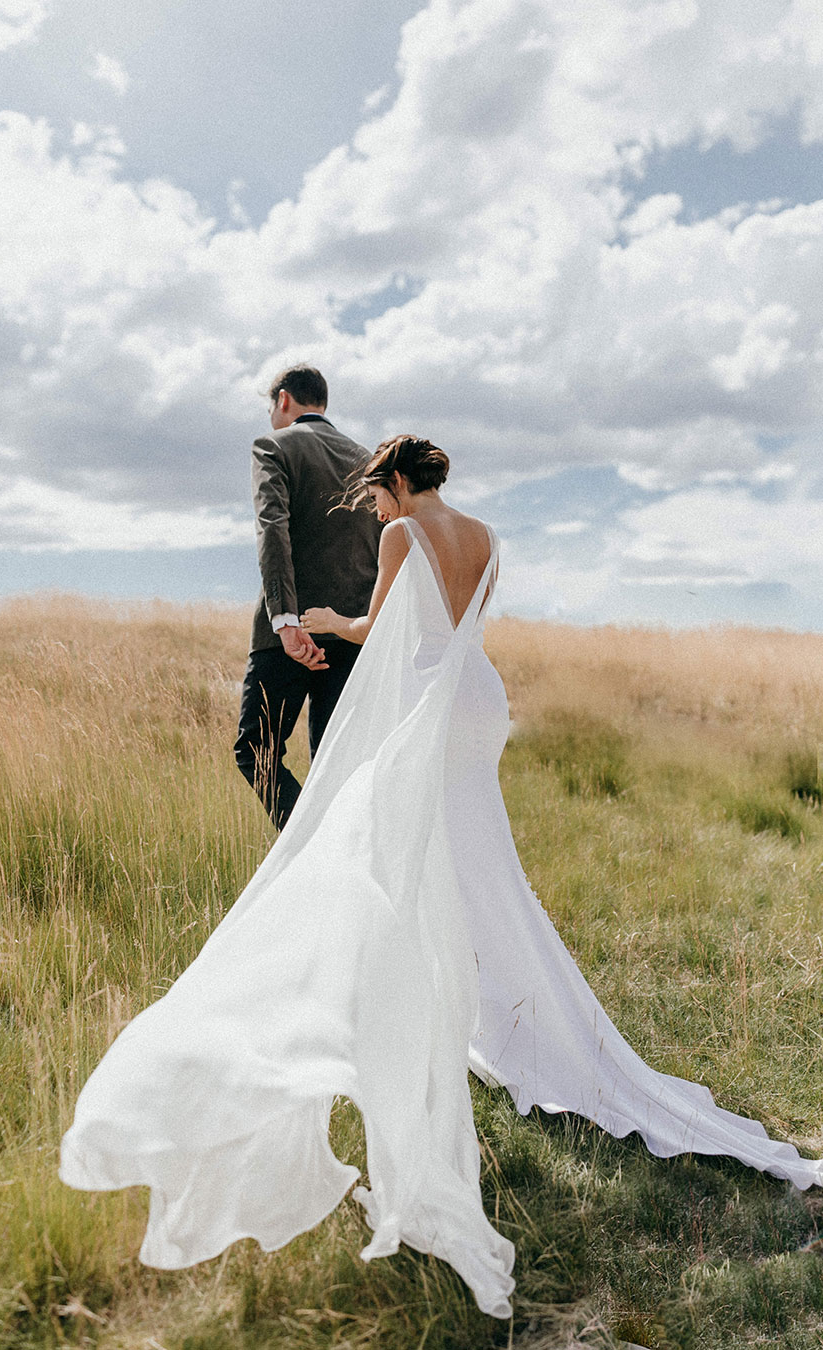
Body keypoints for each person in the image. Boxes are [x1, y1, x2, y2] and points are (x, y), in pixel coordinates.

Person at [60, 435, 822, 1321]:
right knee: (479, 870)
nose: (375, 511)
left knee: (383, 857)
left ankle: (394, 1001)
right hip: (479, 700)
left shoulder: (402, 536)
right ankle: (493, 1006)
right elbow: (464, 624)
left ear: (394, 483)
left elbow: (383, 629)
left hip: (428, 702)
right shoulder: (489, 535)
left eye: (375, 495)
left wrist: (321, 624)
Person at [233, 365, 381, 828]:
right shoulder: (368, 462)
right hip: (355, 633)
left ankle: (307, 854)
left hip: (289, 636)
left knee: (255, 751)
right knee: (333, 764)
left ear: (283, 400)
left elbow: (271, 529)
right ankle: (332, 859)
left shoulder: (272, 446)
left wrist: (286, 619)